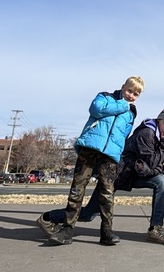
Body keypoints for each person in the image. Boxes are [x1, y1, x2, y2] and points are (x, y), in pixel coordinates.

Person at [36, 76, 144, 246]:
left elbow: (125, 133)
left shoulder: (132, 112)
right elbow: (96, 110)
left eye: (136, 94)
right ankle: (67, 229)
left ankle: (106, 231)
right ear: (123, 87)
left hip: (110, 155)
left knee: (107, 193)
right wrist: (122, 104)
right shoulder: (105, 96)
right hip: (90, 148)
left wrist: (118, 150)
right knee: (77, 189)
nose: (131, 95)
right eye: (130, 90)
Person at [77, 105, 164, 243]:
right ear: (159, 120)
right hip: (116, 176)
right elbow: (153, 163)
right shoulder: (147, 133)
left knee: (160, 181)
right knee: (88, 214)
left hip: (131, 175)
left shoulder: (157, 136)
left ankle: (156, 229)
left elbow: (156, 166)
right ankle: (50, 218)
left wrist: (153, 169)